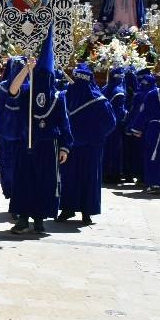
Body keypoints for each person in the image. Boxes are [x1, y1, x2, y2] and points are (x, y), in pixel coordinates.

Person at [5, 26, 72, 233]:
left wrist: (64, 147)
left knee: (45, 182)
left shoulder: (59, 97)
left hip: (48, 145)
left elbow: (64, 123)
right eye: (40, 75)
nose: (43, 79)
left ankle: (40, 218)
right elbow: (12, 90)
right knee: (24, 180)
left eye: (46, 75)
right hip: (28, 142)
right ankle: (23, 218)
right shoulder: (27, 91)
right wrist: (26, 70)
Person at [57, 64, 116, 225]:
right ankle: (86, 211)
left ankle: (67, 209)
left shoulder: (66, 96)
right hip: (92, 147)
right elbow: (111, 122)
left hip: (70, 146)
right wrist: (98, 135)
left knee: (69, 177)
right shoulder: (100, 100)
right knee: (90, 178)